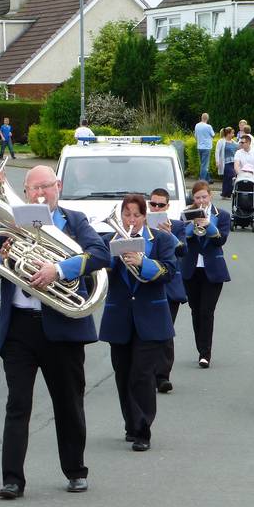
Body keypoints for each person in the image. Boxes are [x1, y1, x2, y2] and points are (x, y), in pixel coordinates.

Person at [0, 165, 110, 499]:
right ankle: (12, 479)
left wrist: (59, 269)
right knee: (17, 404)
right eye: (32, 189)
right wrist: (3, 253)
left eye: (45, 187)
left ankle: (75, 469)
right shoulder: (11, 223)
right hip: (19, 328)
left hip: (63, 327)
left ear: (58, 186)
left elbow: (100, 254)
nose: (39, 194)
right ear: (24, 192)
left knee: (68, 402)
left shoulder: (75, 220)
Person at [99, 194, 177, 453]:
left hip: (150, 316)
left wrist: (143, 263)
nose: (130, 220)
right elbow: (100, 268)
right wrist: (112, 255)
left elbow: (169, 271)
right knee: (122, 373)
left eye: (136, 215)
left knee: (141, 375)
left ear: (145, 217)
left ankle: (144, 429)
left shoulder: (161, 239)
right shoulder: (111, 240)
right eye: (126, 214)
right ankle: (131, 424)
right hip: (118, 315)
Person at [182, 180, 231, 368]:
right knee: (195, 311)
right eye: (197, 197)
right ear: (193, 198)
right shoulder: (186, 214)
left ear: (210, 196)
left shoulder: (222, 215)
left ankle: (205, 353)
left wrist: (208, 224)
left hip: (213, 270)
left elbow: (221, 240)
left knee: (207, 311)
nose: (201, 200)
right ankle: (200, 348)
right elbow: (183, 239)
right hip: (191, 269)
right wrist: (192, 224)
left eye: (204, 196)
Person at [147, 188, 187, 394]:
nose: (156, 208)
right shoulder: (141, 226)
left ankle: (162, 376)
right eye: (153, 204)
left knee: (165, 329)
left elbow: (183, 251)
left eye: (160, 205)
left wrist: (169, 235)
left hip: (169, 287)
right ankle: (146, 371)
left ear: (168, 206)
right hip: (146, 284)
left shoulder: (178, 226)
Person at [215, 127, 238, 199]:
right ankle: (226, 193)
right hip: (226, 163)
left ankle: (226, 194)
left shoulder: (234, 142)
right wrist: (217, 161)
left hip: (233, 162)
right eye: (232, 133)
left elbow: (238, 148)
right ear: (228, 134)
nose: (233, 134)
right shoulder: (221, 141)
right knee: (231, 175)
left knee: (227, 178)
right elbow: (217, 151)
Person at [194, 113, 216, 183]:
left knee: (203, 164)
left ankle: (208, 179)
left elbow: (195, 136)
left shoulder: (197, 125)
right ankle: (202, 181)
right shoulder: (208, 126)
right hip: (207, 147)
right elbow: (213, 135)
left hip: (199, 146)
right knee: (205, 165)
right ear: (207, 118)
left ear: (201, 118)